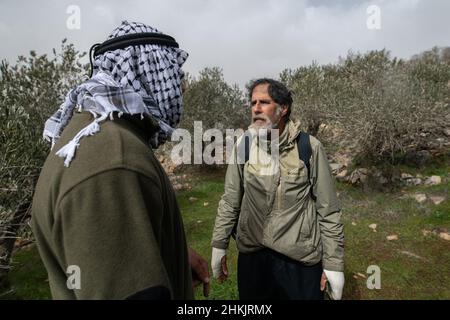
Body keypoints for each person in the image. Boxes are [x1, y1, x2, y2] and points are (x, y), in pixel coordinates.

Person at [31, 21, 209, 299]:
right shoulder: (114, 160)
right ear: (147, 73)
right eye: (176, 77)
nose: (182, 88)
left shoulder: (94, 136)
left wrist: (169, 254)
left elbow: (108, 249)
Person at [211, 78, 344, 300]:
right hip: (253, 259)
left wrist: (333, 264)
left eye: (264, 102)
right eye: (253, 103)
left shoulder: (309, 147)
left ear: (283, 108)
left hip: (299, 261)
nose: (256, 108)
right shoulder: (243, 145)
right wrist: (219, 244)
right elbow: (230, 199)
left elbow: (328, 210)